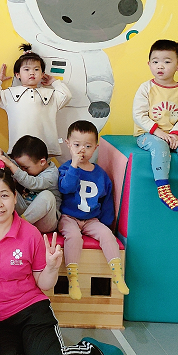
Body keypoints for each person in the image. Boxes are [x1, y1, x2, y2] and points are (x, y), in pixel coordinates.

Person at [0, 168, 125, 355]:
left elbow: (44, 285)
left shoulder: (30, 233)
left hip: (31, 311)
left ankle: (90, 351)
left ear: (15, 197)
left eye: (4, 195)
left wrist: (52, 268)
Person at [58, 121, 128, 300]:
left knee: (106, 235)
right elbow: (65, 188)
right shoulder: (65, 168)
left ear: (96, 148)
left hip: (91, 219)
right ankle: (73, 278)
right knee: (74, 236)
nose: (82, 150)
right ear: (68, 144)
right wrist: (74, 166)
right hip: (69, 217)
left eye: (88, 146)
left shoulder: (101, 174)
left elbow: (106, 202)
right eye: (77, 145)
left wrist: (107, 225)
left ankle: (117, 274)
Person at [133, 39, 178, 211]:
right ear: (149, 64)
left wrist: (176, 133)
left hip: (174, 135)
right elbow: (139, 115)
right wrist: (159, 133)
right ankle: (164, 190)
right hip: (147, 134)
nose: (160, 66)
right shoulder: (146, 88)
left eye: (167, 62)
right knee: (159, 146)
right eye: (155, 62)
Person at [0, 44, 72, 156]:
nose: (32, 73)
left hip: (45, 148)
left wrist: (54, 82)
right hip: (19, 149)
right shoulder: (10, 94)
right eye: (26, 69)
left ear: (42, 74)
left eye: (36, 69)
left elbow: (66, 95)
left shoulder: (50, 94)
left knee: (44, 166)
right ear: (17, 74)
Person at [0, 135, 61, 233]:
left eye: (26, 168)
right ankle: (6, 220)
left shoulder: (52, 174)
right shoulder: (32, 165)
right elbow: (17, 165)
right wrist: (3, 155)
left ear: (42, 162)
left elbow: (33, 183)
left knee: (48, 196)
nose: (23, 170)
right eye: (21, 167)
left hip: (45, 221)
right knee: (6, 187)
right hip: (26, 210)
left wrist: (11, 165)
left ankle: (18, 224)